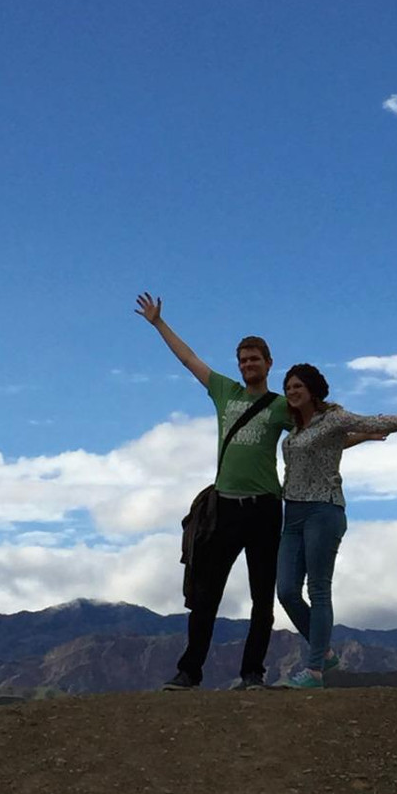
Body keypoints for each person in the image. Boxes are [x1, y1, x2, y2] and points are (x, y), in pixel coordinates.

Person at [135, 291, 289, 691]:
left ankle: (252, 673)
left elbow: (318, 431)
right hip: (224, 508)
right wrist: (158, 324)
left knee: (262, 598)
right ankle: (190, 672)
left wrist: (373, 432)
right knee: (205, 595)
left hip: (266, 510)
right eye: (242, 360)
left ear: (269, 364)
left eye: (254, 359)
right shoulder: (224, 392)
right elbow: (188, 359)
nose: (247, 365)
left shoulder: (280, 406)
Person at [276, 363, 397, 689]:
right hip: (293, 514)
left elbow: (374, 420)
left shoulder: (335, 418)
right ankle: (325, 651)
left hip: (324, 509)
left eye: (298, 386)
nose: (292, 391)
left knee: (318, 589)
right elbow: (326, 448)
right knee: (287, 590)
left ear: (313, 390)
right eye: (288, 387)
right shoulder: (295, 429)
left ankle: (315, 670)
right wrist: (361, 440)